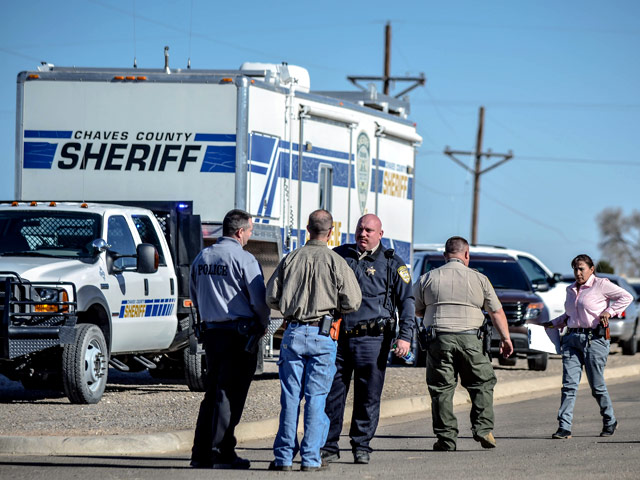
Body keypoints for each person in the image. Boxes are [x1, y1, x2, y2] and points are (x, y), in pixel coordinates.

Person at [266, 209, 362, 472]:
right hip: (322, 334)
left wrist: (291, 306)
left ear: (308, 229)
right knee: (316, 397)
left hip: (294, 332)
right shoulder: (336, 262)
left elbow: (271, 297)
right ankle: (310, 458)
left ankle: (284, 457)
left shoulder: (290, 259)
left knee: (290, 397)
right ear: (331, 233)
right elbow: (353, 301)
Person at [321, 213, 415, 465]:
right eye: (360, 229)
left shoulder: (392, 263)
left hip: (373, 341)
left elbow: (407, 302)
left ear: (380, 234)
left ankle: (361, 445)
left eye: (369, 231)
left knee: (368, 396)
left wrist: (405, 337)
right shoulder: (340, 255)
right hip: (339, 339)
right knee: (332, 394)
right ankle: (328, 446)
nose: (362, 234)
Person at [413, 236, 513, 452]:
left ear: (444, 256)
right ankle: (483, 429)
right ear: (466, 254)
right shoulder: (480, 279)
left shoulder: (427, 278)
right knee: (481, 383)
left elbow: (417, 310)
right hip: (471, 340)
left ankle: (446, 439)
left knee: (441, 388)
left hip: (439, 339)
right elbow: (496, 311)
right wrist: (505, 338)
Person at [189, 209, 270, 469]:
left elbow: (194, 295)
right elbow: (259, 300)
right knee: (230, 394)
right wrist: (264, 323)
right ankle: (221, 452)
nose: (249, 236)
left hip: (212, 333)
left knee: (213, 392)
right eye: (249, 231)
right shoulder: (244, 259)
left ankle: (200, 453)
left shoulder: (202, 257)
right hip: (239, 335)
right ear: (239, 231)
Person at [546, 254, 632, 440]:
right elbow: (569, 315)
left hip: (594, 340)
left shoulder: (601, 285)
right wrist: (552, 324)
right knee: (569, 385)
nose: (578, 273)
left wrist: (609, 311)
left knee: (596, 386)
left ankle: (609, 420)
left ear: (591, 269)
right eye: (575, 269)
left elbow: (627, 296)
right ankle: (564, 427)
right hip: (571, 339)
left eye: (581, 269)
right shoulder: (570, 289)